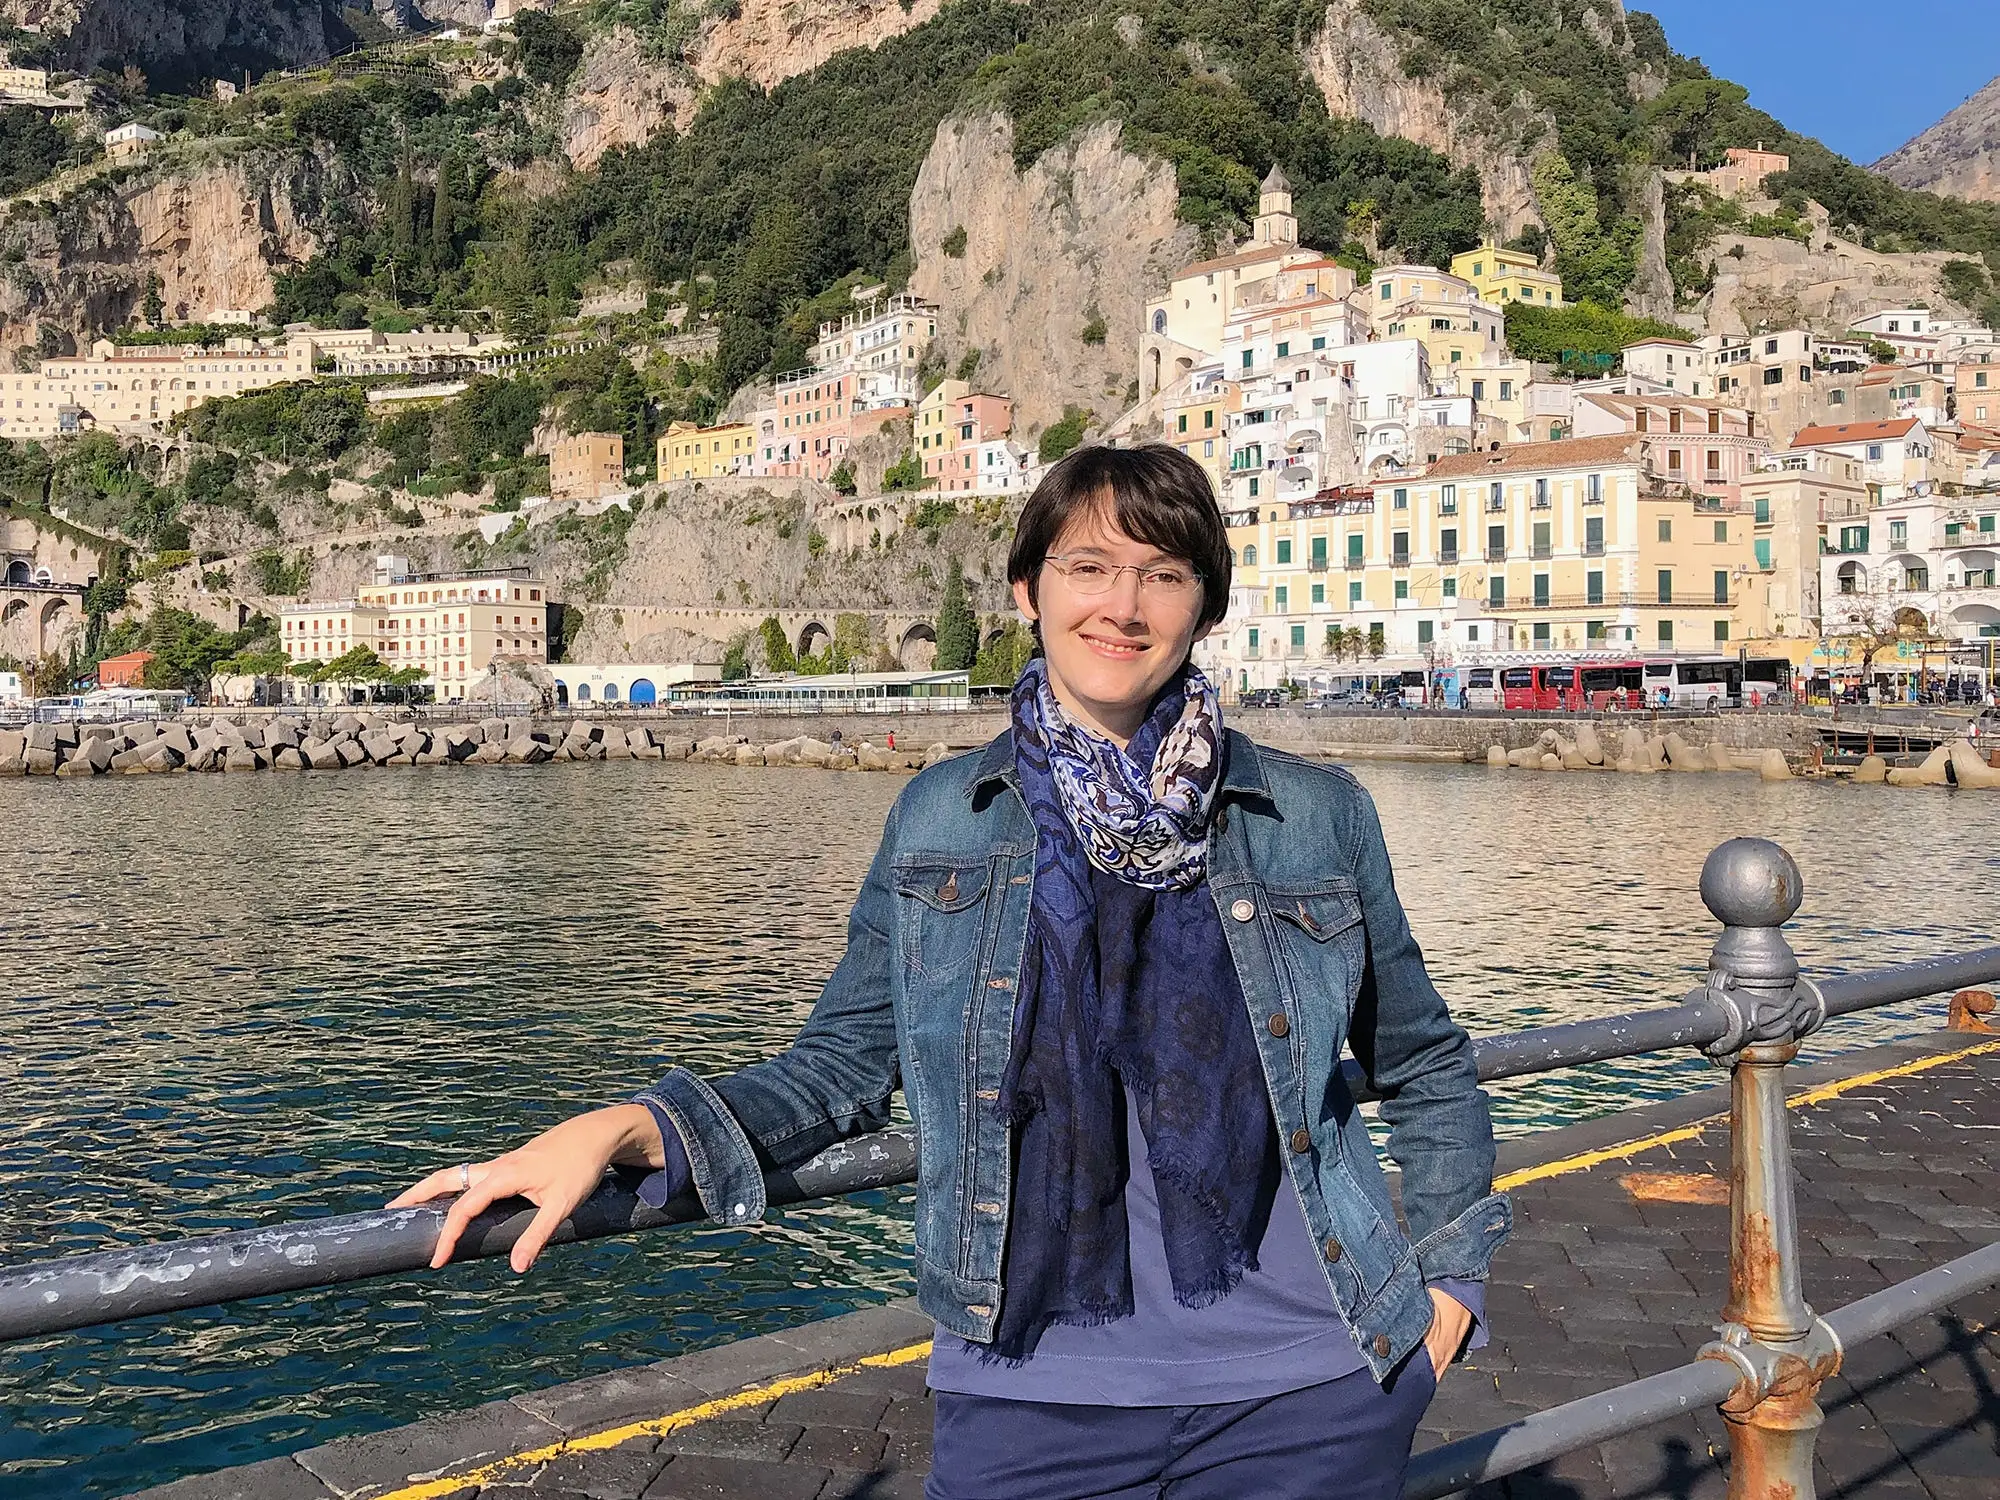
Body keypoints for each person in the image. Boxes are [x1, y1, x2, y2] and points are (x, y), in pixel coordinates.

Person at [391, 444, 1509, 1499]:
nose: (1121, 606)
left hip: (1309, 1389)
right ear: (1027, 591)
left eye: (1162, 575)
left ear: (1203, 609)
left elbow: (1421, 1060)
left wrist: (1449, 1284)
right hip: (1027, 1391)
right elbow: (842, 1061)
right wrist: (636, 1126)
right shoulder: (944, 816)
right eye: (1087, 567)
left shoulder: (1313, 817)